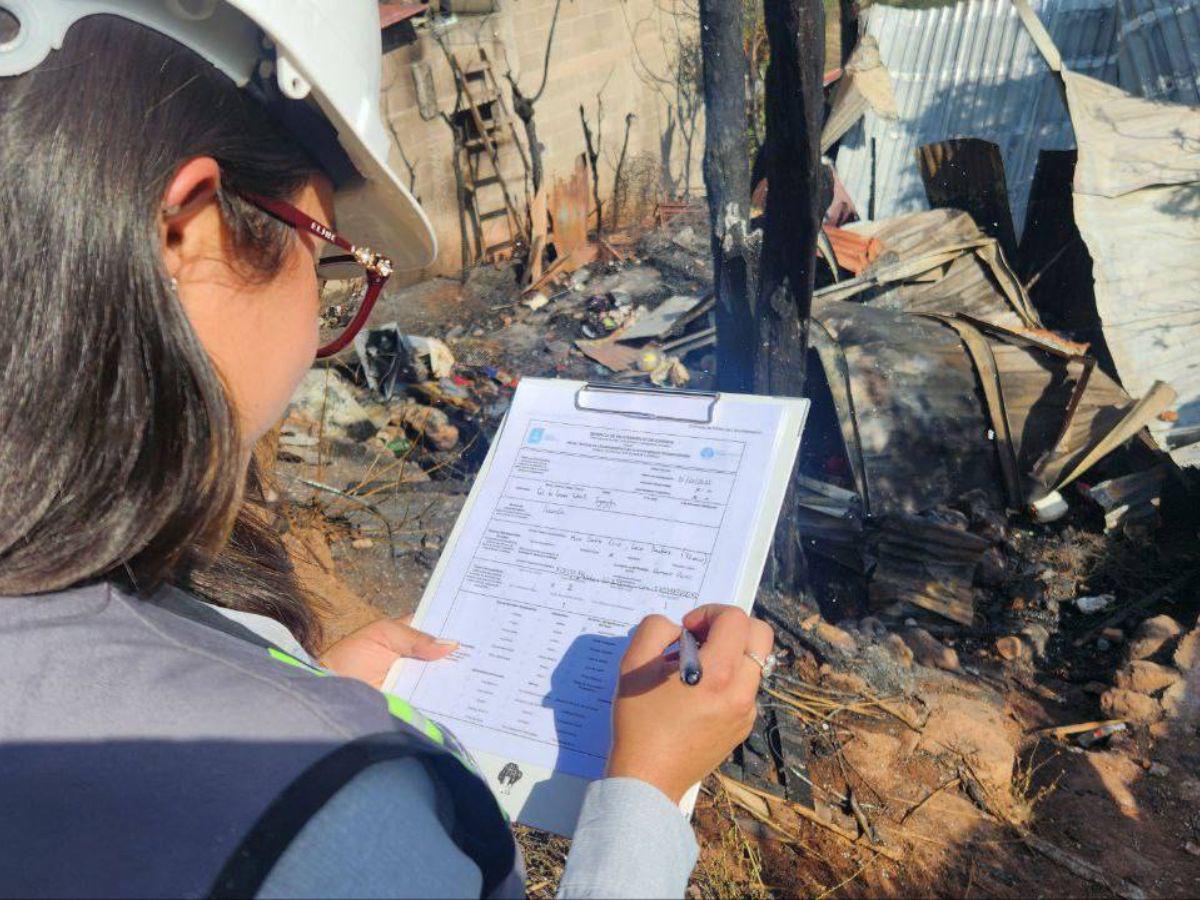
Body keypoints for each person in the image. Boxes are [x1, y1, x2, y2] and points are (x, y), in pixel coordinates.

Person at [0, 2, 775, 897]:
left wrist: (279, 680)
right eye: (328, 265)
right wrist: (645, 795)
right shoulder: (341, 816)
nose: (316, 327)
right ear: (192, 231)